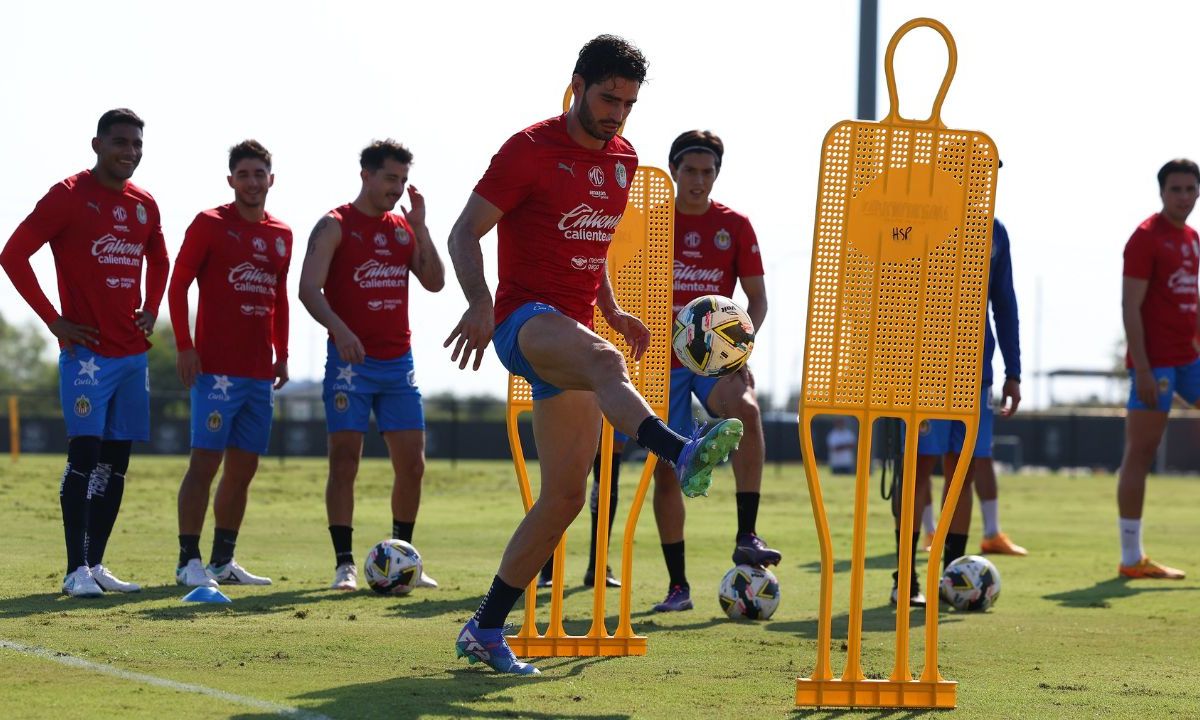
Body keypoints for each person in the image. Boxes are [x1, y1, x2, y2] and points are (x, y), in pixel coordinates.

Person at [446, 36, 743, 675]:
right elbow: (463, 232)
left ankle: (485, 627)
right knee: (610, 364)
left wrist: (611, 309)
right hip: (524, 323)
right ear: (578, 83)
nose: (617, 113)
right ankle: (679, 448)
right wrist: (478, 302)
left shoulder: (625, 158)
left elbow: (595, 244)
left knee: (565, 499)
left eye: (629, 103)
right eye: (608, 97)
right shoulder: (528, 149)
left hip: (575, 332)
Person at [0, 108, 169, 597]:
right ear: (96, 144)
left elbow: (159, 257)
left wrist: (151, 307)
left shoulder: (144, 204)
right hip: (87, 356)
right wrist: (54, 320)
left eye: (137, 144)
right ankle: (75, 569)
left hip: (132, 355)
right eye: (120, 143)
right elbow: (12, 255)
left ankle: (96, 564)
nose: (129, 153)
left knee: (115, 464)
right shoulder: (68, 197)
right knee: (84, 458)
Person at [298, 140, 445, 591]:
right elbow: (308, 289)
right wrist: (340, 330)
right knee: (345, 461)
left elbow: (436, 282)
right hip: (350, 365)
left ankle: (403, 558)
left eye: (402, 180)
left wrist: (420, 227)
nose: (396, 188)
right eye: (389, 178)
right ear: (366, 174)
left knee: (413, 465)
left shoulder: (403, 228)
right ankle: (344, 564)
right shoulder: (335, 224)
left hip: (398, 363)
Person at [648, 130, 776, 614]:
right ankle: (678, 586)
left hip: (712, 358)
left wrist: (739, 352)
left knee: (747, 408)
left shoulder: (735, 225)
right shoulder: (652, 222)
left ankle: (747, 534)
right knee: (666, 470)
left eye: (708, 171)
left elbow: (757, 300)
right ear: (674, 172)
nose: (699, 180)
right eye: (690, 171)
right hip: (660, 360)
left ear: (716, 174)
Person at [169, 140, 291, 587]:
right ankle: (188, 561)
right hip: (214, 371)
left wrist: (284, 353)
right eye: (244, 174)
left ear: (271, 179)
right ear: (230, 180)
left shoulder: (282, 234)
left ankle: (222, 561)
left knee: (244, 469)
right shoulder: (210, 224)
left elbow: (278, 297)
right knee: (204, 463)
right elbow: (178, 286)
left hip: (259, 372)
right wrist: (185, 345)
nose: (252, 182)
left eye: (259, 174)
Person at [892, 216, 1022, 607]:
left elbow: (1004, 301)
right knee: (917, 468)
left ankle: (949, 576)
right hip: (921, 365)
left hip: (974, 370)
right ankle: (906, 578)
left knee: (962, 470)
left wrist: (1012, 371)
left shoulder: (995, 231)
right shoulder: (916, 215)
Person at [1115, 158, 1199, 580]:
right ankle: (1132, 558)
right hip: (1156, 363)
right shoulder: (1146, 238)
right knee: (1141, 452)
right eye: (1176, 190)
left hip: (1190, 359)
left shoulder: (1192, 238)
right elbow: (1130, 305)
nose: (1184, 197)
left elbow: (1190, 301)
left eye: (1190, 189)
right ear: (1161, 192)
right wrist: (1143, 369)